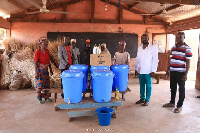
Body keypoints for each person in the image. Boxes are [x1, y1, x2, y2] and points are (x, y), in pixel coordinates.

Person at [163, 32, 192, 113]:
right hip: (173, 71)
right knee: (172, 88)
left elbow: (188, 63)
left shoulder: (187, 48)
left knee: (181, 89)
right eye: (177, 37)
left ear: (184, 37)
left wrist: (186, 74)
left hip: (181, 72)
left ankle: (179, 106)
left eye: (180, 37)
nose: (178, 39)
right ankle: (172, 102)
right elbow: (170, 60)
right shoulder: (173, 48)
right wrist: (167, 70)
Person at [135, 34, 158, 106]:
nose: (144, 39)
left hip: (149, 70)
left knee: (148, 85)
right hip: (141, 69)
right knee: (141, 85)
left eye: (145, 38)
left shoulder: (153, 48)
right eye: (142, 38)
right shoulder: (140, 48)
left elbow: (155, 60)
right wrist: (136, 68)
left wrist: (154, 70)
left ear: (148, 39)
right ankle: (142, 98)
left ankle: (147, 99)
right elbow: (138, 59)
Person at [34, 37, 53, 104]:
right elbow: (35, 63)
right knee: (40, 85)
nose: (46, 45)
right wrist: (36, 72)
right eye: (45, 44)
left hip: (46, 69)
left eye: (47, 44)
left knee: (46, 84)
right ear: (41, 44)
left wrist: (50, 70)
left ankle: (46, 97)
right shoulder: (37, 52)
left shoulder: (47, 51)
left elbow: (48, 61)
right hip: (40, 70)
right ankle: (40, 98)